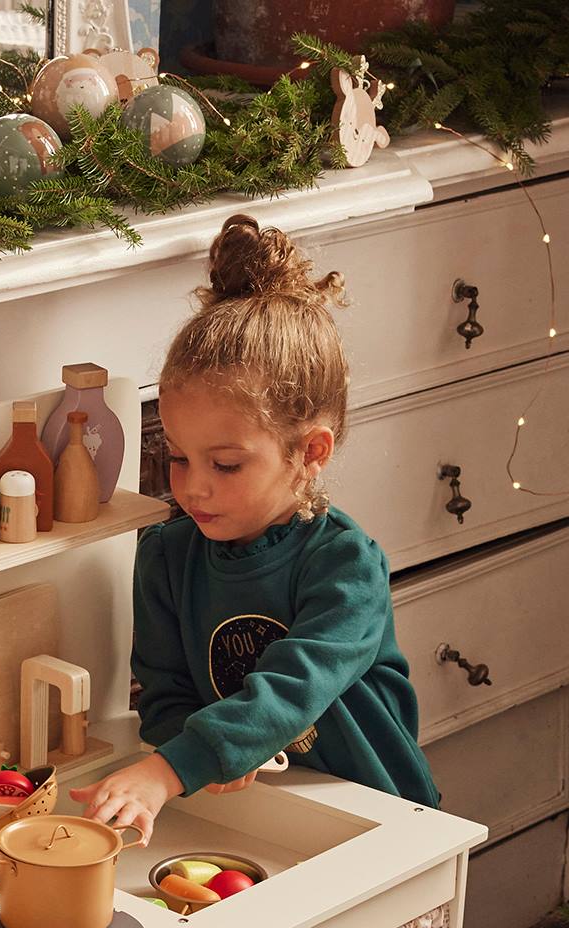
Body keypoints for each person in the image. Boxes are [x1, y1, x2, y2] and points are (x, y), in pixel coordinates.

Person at [72, 213, 438, 842]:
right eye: (179, 457)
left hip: (377, 814)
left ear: (311, 452)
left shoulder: (347, 568)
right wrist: (199, 751)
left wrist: (168, 770)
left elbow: (292, 689)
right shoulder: (165, 556)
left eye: (227, 463)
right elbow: (164, 698)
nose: (193, 486)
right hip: (249, 812)